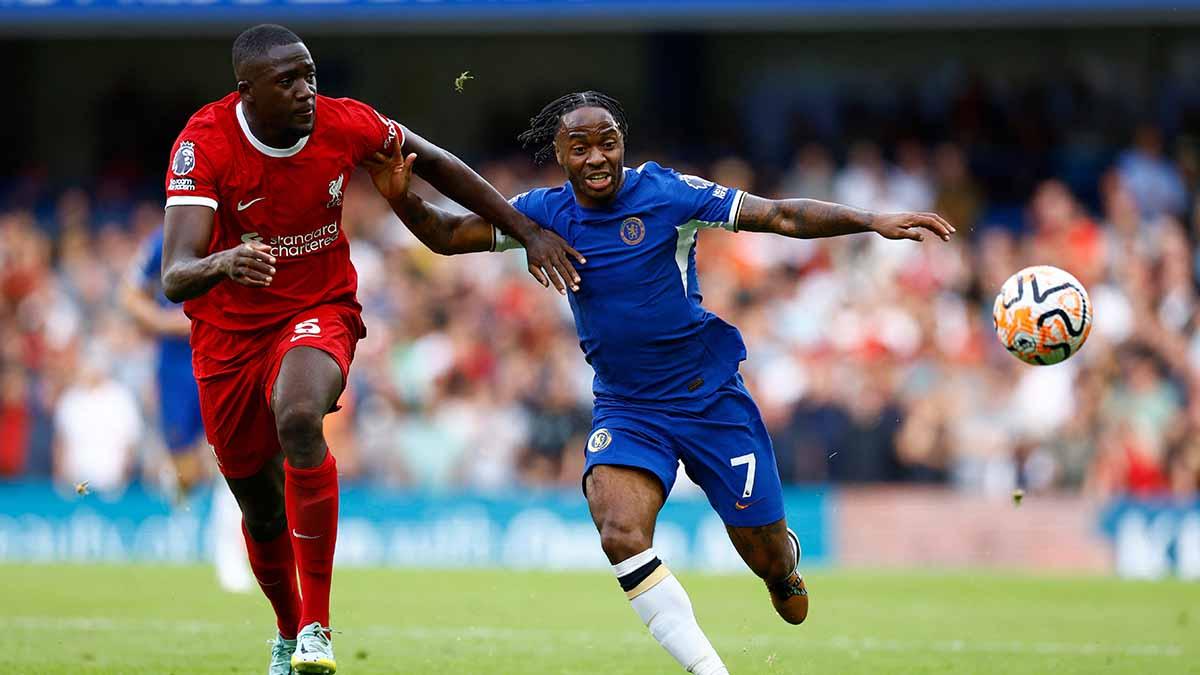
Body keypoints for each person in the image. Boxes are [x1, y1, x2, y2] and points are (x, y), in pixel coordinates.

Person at [365, 90, 955, 674]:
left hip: (709, 400)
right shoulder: (540, 213)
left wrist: (871, 220)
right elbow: (446, 235)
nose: (596, 157)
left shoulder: (668, 193)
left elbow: (778, 214)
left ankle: (781, 564)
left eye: (607, 143)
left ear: (623, 144)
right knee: (619, 530)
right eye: (580, 147)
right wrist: (402, 200)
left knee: (768, 561)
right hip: (627, 408)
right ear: (560, 155)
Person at [160, 24, 581, 675]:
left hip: (317, 309)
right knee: (258, 503)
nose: (307, 91)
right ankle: (285, 627)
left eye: (310, 75)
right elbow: (174, 271)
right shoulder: (205, 142)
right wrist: (226, 260)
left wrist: (524, 230)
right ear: (247, 92)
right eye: (288, 81)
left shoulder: (344, 123)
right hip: (227, 337)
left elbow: (435, 161)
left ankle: (317, 629)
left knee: (299, 414)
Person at [121, 226, 254, 594]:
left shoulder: (239, 231)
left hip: (227, 355)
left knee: (229, 459)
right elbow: (130, 294)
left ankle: (229, 556)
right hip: (176, 366)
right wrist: (164, 322)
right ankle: (177, 485)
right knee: (186, 474)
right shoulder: (163, 239)